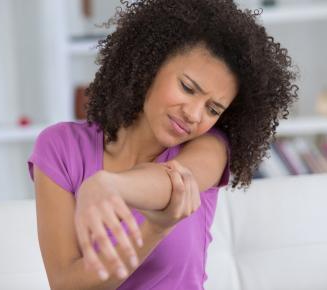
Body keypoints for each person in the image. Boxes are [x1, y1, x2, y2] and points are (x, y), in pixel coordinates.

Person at [27, 0, 298, 289]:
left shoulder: (210, 147)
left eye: (213, 109)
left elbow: (171, 181)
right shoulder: (60, 147)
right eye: (188, 88)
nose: (194, 115)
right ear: (149, 65)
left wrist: (109, 187)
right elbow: (66, 285)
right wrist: (155, 226)